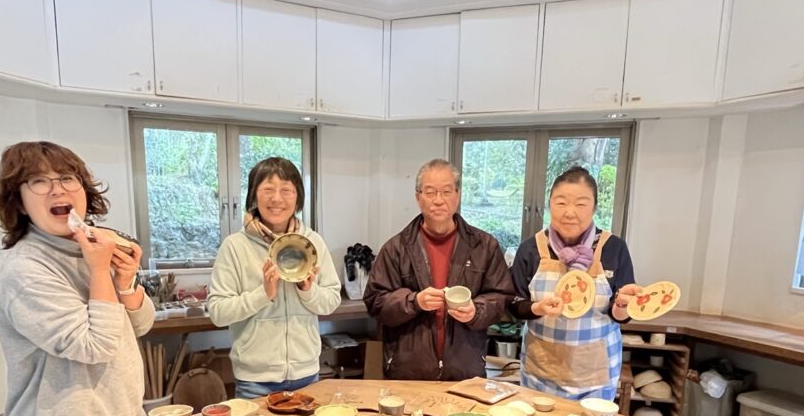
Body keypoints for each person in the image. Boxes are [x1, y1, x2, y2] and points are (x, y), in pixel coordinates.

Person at [0, 141, 154, 416]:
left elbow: (140, 325)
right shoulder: (25, 271)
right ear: (19, 202)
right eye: (39, 181)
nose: (57, 189)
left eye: (67, 178)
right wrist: (99, 271)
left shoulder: (91, 247)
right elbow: (95, 346)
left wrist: (125, 281)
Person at [364, 158, 514, 380]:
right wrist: (414, 301)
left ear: (458, 195)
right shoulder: (396, 248)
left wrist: (476, 311)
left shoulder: (484, 246)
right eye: (430, 192)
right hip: (409, 372)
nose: (438, 200)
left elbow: (501, 297)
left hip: (465, 369)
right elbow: (375, 301)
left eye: (446, 192)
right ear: (418, 197)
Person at [208, 157, 340, 399]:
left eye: (286, 190)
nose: (277, 199)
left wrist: (308, 290)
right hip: (255, 382)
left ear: (298, 197)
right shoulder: (235, 246)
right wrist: (263, 294)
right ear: (253, 196)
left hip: (307, 376)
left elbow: (331, 301)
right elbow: (218, 312)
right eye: (268, 189)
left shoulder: (313, 243)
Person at [508, 165, 640, 400]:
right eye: (561, 203)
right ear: (549, 205)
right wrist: (536, 308)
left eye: (581, 204)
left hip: (596, 376)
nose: (570, 212)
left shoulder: (614, 248)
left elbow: (621, 315)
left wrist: (623, 304)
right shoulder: (531, 249)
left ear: (595, 207)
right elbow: (514, 304)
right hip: (541, 371)